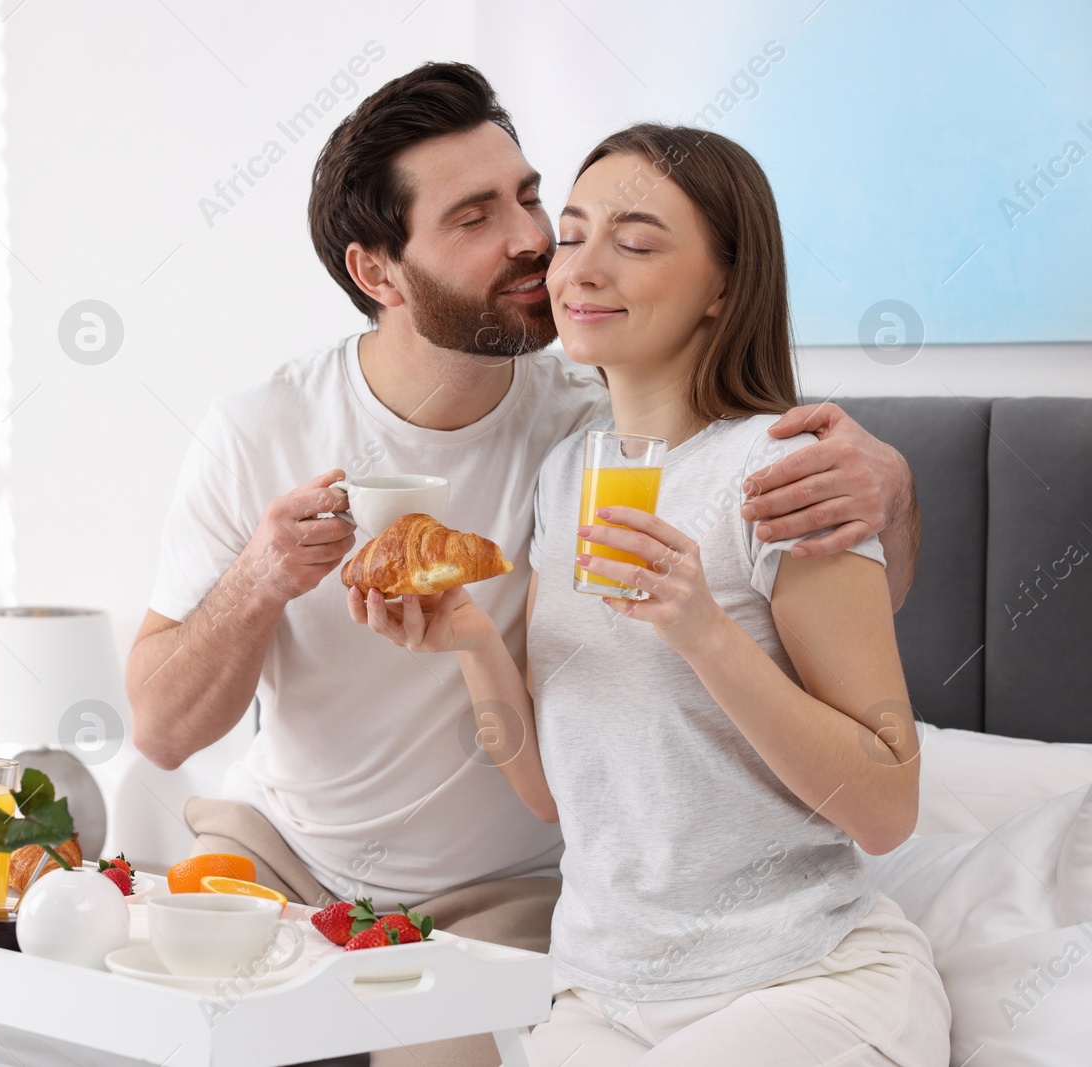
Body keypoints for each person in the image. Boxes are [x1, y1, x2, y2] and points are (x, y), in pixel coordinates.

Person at [128, 63, 923, 1067]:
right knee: (154, 999)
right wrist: (277, 581)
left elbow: (833, 625)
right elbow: (158, 729)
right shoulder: (300, 434)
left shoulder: (640, 440)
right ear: (377, 272)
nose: (541, 245)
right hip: (299, 854)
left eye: (531, 198)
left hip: (525, 899)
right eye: (475, 216)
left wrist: (890, 489)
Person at [353, 122, 949, 1065]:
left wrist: (705, 631)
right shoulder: (566, 476)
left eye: (634, 243)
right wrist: (470, 639)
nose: (582, 269)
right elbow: (552, 794)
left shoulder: (786, 471)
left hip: (801, 979)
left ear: (723, 286)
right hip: (603, 995)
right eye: (575, 234)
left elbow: (887, 806)